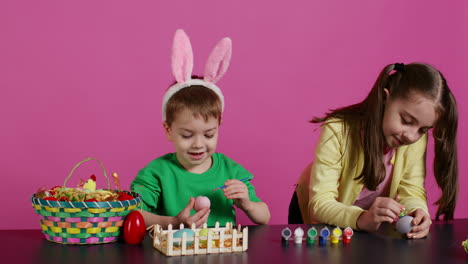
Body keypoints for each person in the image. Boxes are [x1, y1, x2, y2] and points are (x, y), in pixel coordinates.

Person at [292, 62, 458, 239]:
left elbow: (412, 189)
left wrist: (418, 211)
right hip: (319, 217)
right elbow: (320, 204)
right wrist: (362, 218)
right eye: (407, 121)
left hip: (366, 223)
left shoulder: (414, 141)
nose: (411, 136)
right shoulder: (337, 130)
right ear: (385, 98)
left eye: (423, 130)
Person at [131, 29, 270, 228]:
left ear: (218, 126)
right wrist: (173, 221)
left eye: (209, 134)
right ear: (169, 130)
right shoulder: (157, 173)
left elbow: (264, 217)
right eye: (187, 135)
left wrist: (247, 204)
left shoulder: (230, 170)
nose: (198, 144)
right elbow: (134, 214)